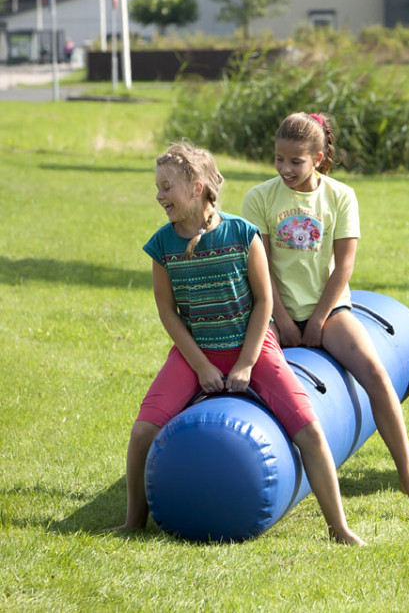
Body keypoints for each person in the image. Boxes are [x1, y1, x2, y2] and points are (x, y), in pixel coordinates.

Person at [111, 141, 364, 546]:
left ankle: (339, 527)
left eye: (166, 187)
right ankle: (133, 522)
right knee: (142, 432)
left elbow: (264, 301)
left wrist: (246, 363)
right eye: (157, 188)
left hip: (253, 346)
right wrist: (201, 367)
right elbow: (168, 313)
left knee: (311, 433)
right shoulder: (161, 246)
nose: (159, 196)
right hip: (197, 351)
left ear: (196, 187)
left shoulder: (242, 234)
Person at [241, 112, 409, 520]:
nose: (284, 169)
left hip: (329, 309)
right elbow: (259, 271)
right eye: (278, 159)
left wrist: (316, 321)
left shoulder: (340, 196)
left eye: (295, 161)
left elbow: (344, 267)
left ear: (318, 157)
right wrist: (282, 320)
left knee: (377, 375)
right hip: (272, 310)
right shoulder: (259, 197)